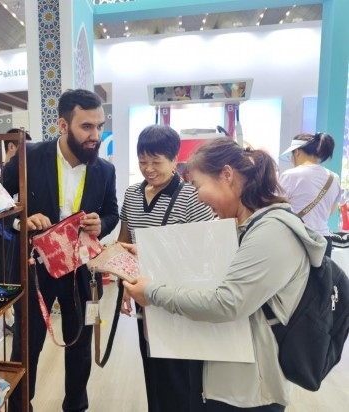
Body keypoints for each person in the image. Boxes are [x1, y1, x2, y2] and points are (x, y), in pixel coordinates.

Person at [123, 137, 326, 411]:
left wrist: (151, 292)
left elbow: (227, 302)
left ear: (227, 175)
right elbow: (206, 268)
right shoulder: (246, 225)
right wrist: (151, 257)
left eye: (198, 185)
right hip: (225, 375)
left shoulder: (272, 232)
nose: (197, 196)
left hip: (249, 391)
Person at [2, 89, 119, 412]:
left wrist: (101, 224)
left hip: (80, 269)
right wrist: (21, 221)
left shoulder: (104, 170)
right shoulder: (28, 157)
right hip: (34, 268)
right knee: (27, 345)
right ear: (63, 125)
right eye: (87, 127)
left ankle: (76, 406)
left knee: (79, 345)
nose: (96, 135)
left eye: (100, 126)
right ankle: (20, 407)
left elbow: (112, 212)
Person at [118, 124, 214, 412]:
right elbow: (125, 241)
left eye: (156, 161)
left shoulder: (192, 197)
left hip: (177, 298)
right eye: (142, 161)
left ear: (174, 160)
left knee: (179, 375)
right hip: (143, 298)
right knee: (152, 368)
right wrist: (124, 285)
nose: (148, 169)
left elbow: (206, 251)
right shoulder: (132, 194)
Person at [0, 128, 32, 333]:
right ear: (12, 146)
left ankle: (18, 315)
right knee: (2, 277)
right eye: (25, 148)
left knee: (19, 276)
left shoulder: (25, 171)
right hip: (1, 232)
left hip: (19, 234)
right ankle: (8, 318)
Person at [279, 132, 342, 257]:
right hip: (323, 242)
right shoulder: (334, 178)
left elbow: (276, 209)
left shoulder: (290, 175)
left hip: (297, 239)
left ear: (297, 152)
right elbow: (331, 211)